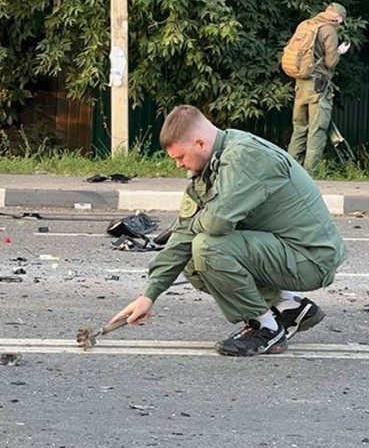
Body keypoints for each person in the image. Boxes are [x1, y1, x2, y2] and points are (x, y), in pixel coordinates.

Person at [110, 105, 347, 356]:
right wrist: (149, 295)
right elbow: (182, 234)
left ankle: (265, 329)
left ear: (200, 143)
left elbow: (215, 223)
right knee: (191, 254)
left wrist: (194, 225)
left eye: (180, 157)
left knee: (207, 247)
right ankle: (287, 306)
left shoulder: (244, 157)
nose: (178, 165)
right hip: (285, 250)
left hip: (311, 258)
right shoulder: (211, 165)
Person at [286, 3, 351, 174]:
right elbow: (330, 62)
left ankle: (291, 172)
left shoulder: (306, 24)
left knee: (299, 128)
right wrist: (339, 52)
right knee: (317, 130)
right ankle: (309, 174)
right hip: (318, 86)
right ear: (337, 18)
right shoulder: (328, 30)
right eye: (341, 21)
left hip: (300, 83)